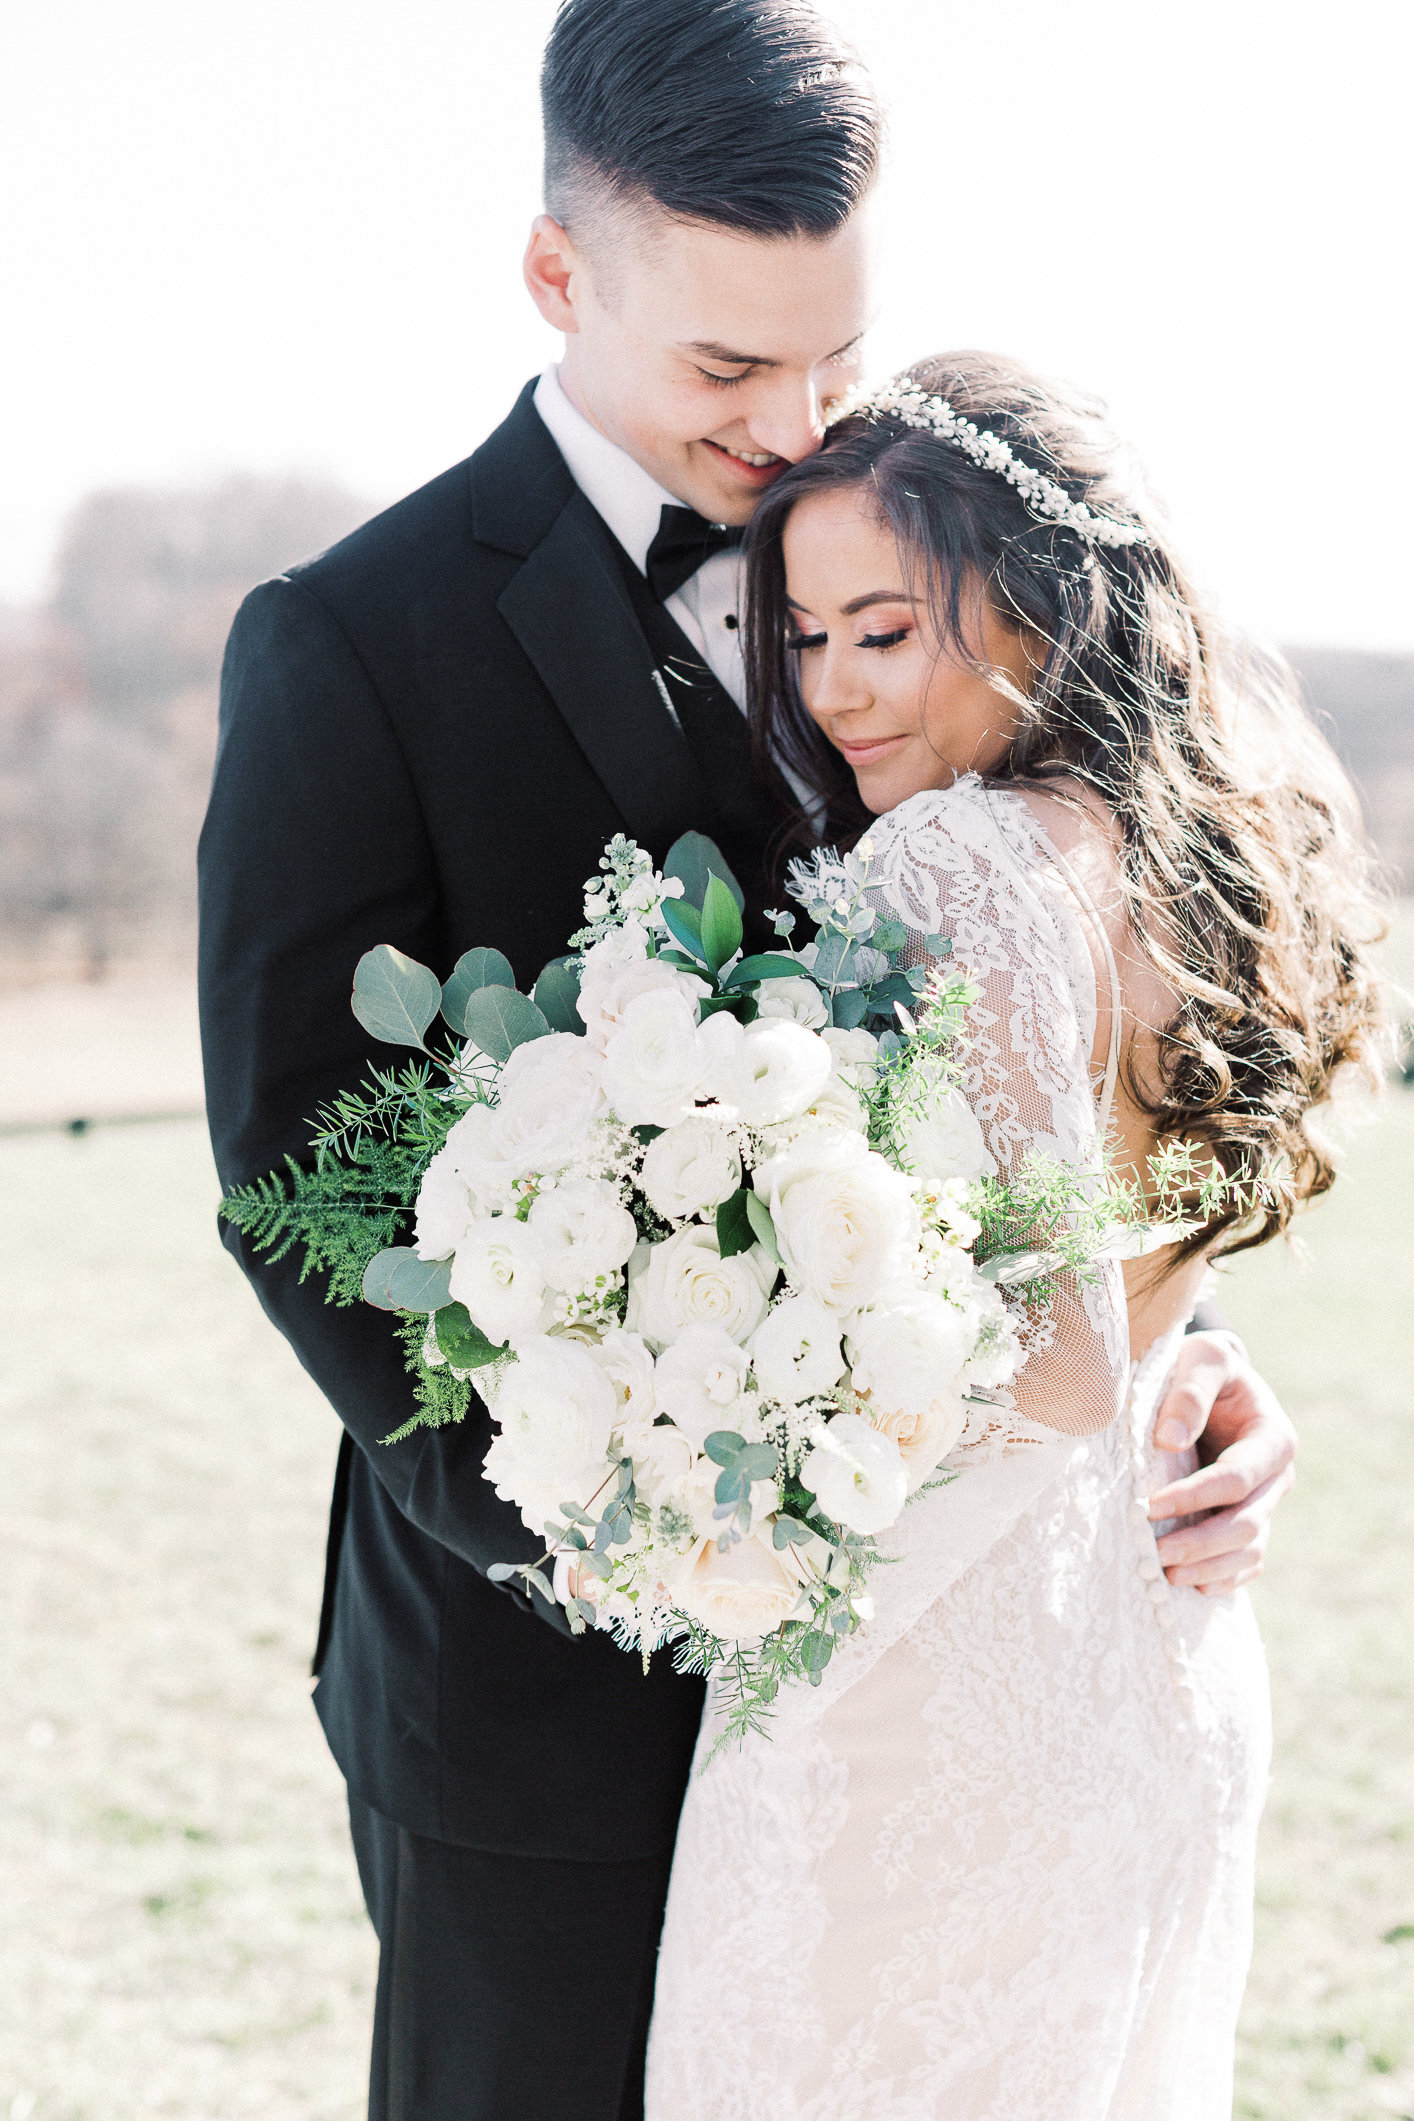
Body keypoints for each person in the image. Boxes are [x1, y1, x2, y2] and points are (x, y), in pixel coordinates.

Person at [198, 4, 1298, 2114]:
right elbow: (294, 1182)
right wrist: (648, 1544)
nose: (795, 419)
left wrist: (1182, 1341)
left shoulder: (915, 556)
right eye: (726, 368)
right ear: (556, 277)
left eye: (832, 352)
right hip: (533, 1704)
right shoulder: (350, 637)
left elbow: (1044, 1041)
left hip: (926, 1714)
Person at [645, 353, 1388, 2119]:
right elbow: (1137, 1314)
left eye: (883, 631)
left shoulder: (955, 866)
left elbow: (1048, 1370)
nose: (828, 690)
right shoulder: (1197, 860)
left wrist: (741, 1542)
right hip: (1164, 1655)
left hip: (939, 1704)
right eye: (803, 636)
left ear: (1042, 615)